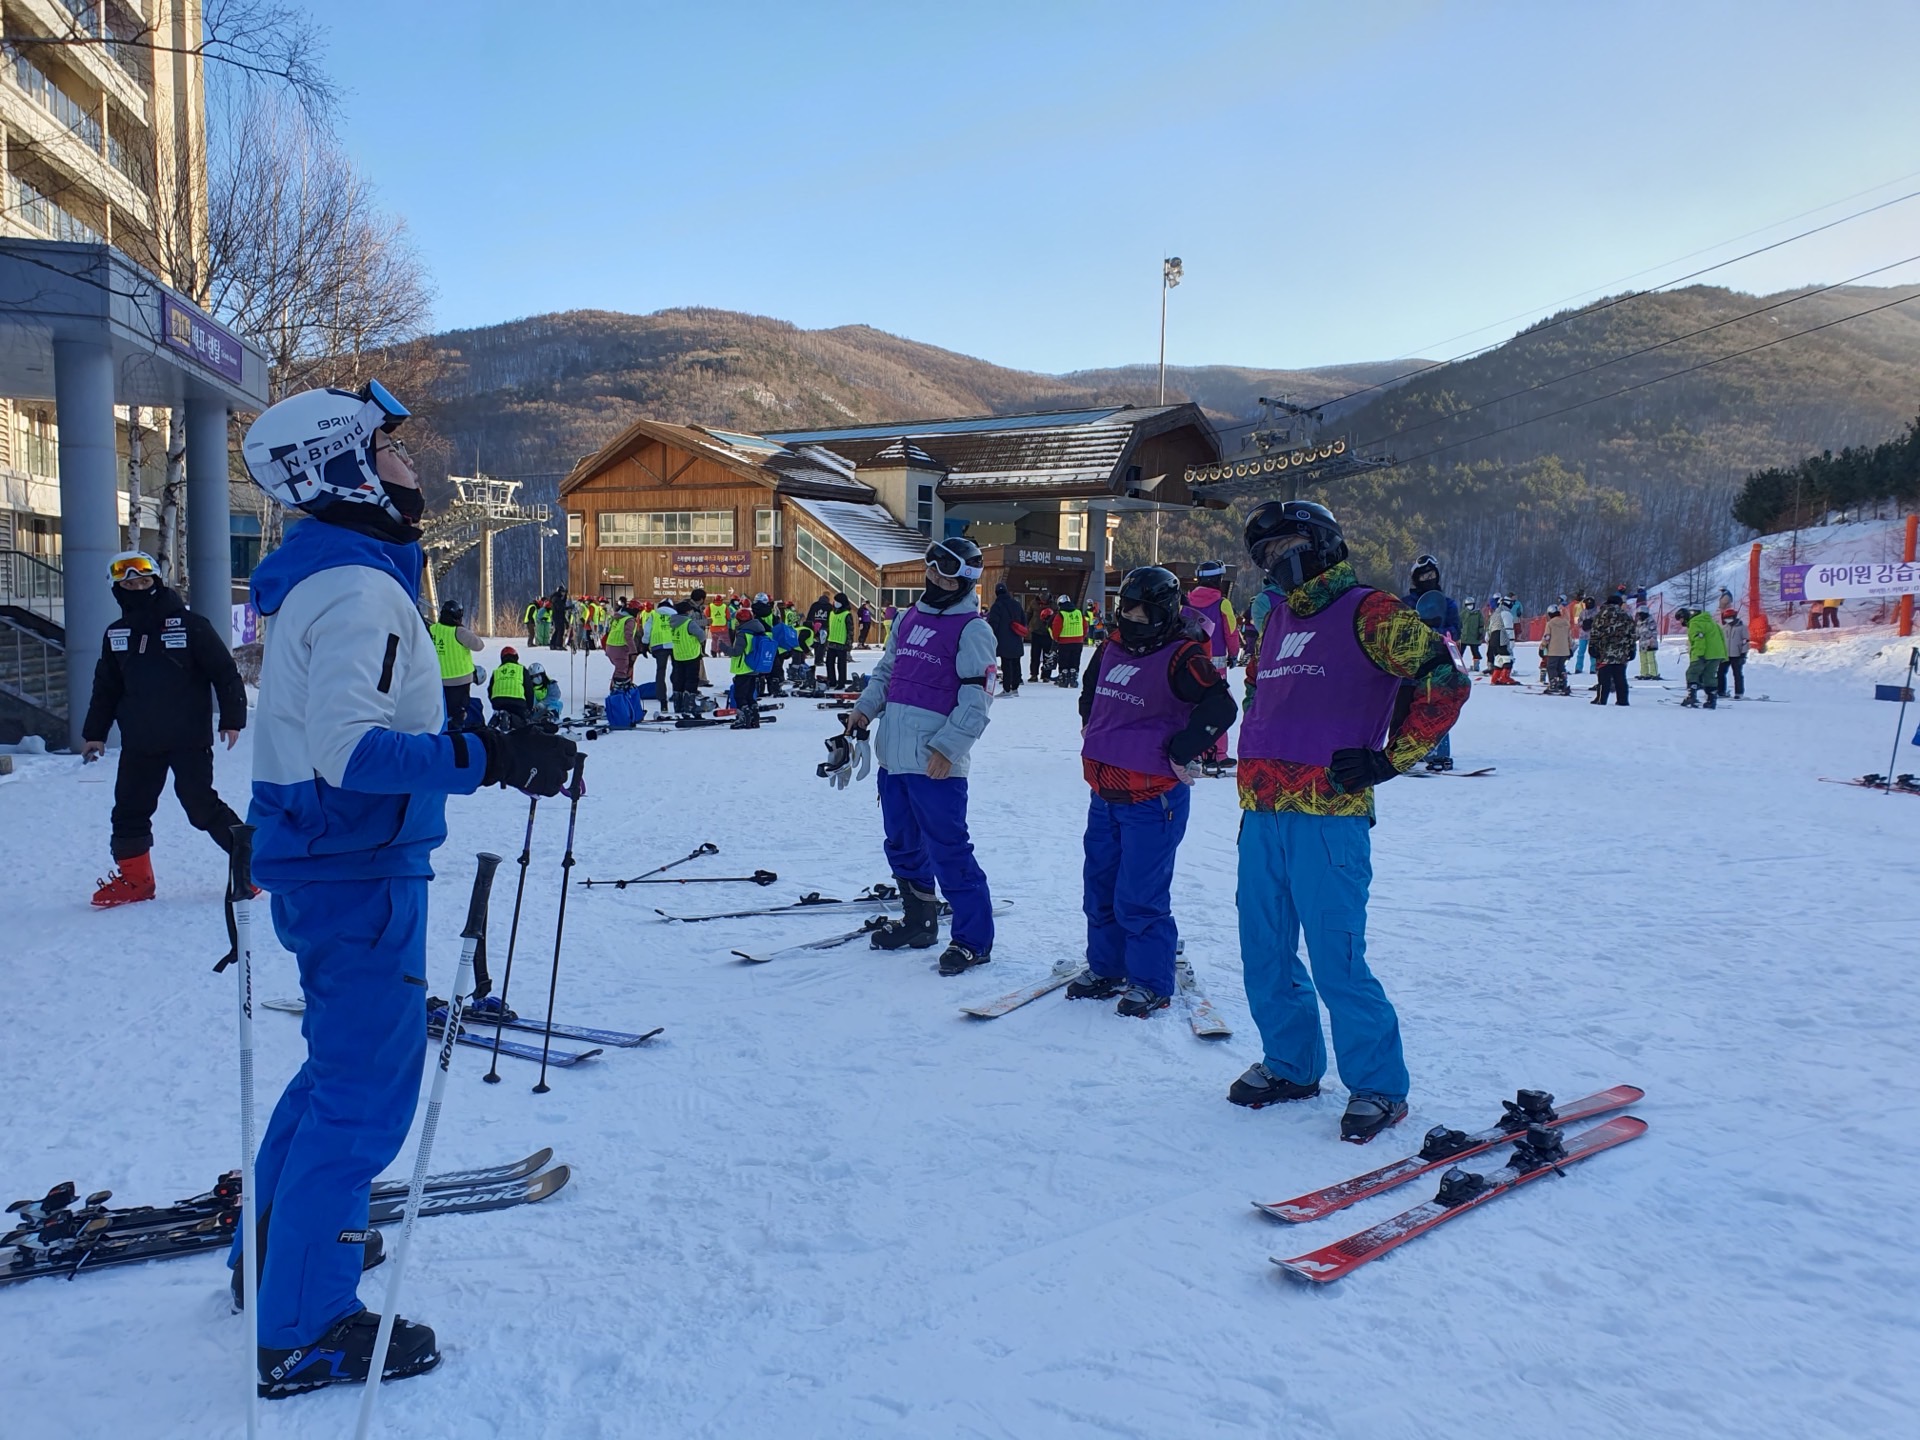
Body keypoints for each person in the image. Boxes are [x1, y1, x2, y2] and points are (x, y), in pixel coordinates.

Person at [236, 380, 578, 1398]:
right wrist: (484, 759)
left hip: (331, 857)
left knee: (331, 1071)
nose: (410, 465)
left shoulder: (336, 579)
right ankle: (302, 1324)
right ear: (342, 467)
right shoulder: (359, 589)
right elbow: (351, 752)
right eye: (389, 449)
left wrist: (478, 738)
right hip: (355, 865)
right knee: (364, 1094)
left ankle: (277, 1259)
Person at [1228, 500, 1469, 1142]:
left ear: (1319, 544)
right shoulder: (1275, 618)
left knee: (1337, 958)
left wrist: (1392, 760)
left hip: (1329, 816)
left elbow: (1445, 680)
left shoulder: (1372, 611)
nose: (1273, 565)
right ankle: (1292, 1064)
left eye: (1284, 550)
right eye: (1264, 555)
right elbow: (1263, 698)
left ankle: (1380, 1087)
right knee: (1265, 952)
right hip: (1263, 813)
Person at [1071, 566, 1237, 1016]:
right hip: (1104, 794)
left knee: (1139, 895)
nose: (1133, 618)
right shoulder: (1111, 647)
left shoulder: (1183, 656)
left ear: (1164, 613)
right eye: (1127, 609)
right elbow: (1091, 689)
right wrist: (1091, 723)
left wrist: (1185, 747)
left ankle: (1150, 980)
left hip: (1153, 800)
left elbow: (1221, 705)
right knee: (1098, 888)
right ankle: (1107, 967)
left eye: (1143, 612)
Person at [845, 537, 996, 975]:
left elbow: (978, 697)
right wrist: (864, 710)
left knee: (949, 850)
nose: (934, 578)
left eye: (944, 573)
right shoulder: (909, 618)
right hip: (894, 756)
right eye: (930, 570)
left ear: (963, 580)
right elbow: (888, 672)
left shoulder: (973, 628)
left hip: (935, 762)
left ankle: (972, 940)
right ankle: (919, 922)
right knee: (902, 843)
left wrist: (949, 749)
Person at [80, 550, 248, 907]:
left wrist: (232, 719)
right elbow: (106, 687)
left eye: (143, 581)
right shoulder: (117, 634)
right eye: (129, 584)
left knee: (200, 807)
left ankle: (252, 868)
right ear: (118, 591)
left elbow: (224, 672)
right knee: (129, 809)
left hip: (188, 738)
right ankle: (136, 881)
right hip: (140, 741)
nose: (137, 588)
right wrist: (94, 732)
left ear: (157, 583)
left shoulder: (191, 625)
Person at [1183, 560, 1238, 765]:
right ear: (1218, 580)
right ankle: (1218, 754)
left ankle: (1195, 751)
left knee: (1194, 707)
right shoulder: (1223, 603)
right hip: (1216, 665)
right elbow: (1230, 632)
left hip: (1191, 662)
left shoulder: (1187, 602)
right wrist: (1234, 653)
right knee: (1219, 706)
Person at [1412, 591, 1459, 769]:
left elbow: (1455, 630)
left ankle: (1440, 753)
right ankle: (1423, 749)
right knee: (1422, 710)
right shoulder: (1411, 606)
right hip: (1421, 672)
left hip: (1441, 671)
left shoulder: (1448, 609)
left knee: (1439, 709)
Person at [427, 599, 483, 727]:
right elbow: (479, 645)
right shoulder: (459, 632)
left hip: (438, 679)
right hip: (460, 680)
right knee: (459, 713)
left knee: (443, 710)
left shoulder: (432, 629)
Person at [726, 594, 777, 727]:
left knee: (740, 696)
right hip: (754, 668)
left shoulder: (743, 633)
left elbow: (737, 651)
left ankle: (744, 718)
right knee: (750, 695)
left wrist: (723, 647)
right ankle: (754, 717)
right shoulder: (758, 631)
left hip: (743, 668)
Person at [1588, 593, 1636, 706]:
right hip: (1621, 652)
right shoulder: (1626, 616)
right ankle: (1623, 700)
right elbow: (1632, 635)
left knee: (1603, 678)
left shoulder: (1601, 615)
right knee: (1620, 678)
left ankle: (1601, 699)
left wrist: (1592, 646)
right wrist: (1632, 649)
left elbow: (1595, 633)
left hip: (1604, 652)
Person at [1678, 606, 1728, 709]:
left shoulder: (1695, 623)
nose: (1682, 622)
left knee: (1692, 673)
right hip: (1716, 654)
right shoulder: (1712, 623)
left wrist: (1698, 655)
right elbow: (1722, 638)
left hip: (1703, 654)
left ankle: (1691, 696)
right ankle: (1711, 699)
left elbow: (1699, 640)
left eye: (1681, 619)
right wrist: (1724, 655)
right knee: (1709, 676)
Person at [668, 589, 709, 715]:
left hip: (677, 654)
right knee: (691, 680)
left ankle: (678, 705)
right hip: (691, 654)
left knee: (678, 679)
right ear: (688, 611)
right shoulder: (688, 622)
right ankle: (689, 705)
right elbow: (702, 636)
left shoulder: (671, 622)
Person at [985, 581, 1028, 696]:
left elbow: (993, 624)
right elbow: (1024, 621)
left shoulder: (997, 606)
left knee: (1006, 664)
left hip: (1003, 639)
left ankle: (1006, 689)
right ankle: (1015, 688)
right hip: (1016, 638)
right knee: (1016, 663)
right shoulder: (1016, 604)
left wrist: (990, 636)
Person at [488, 645, 532, 724]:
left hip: (498, 702)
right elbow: (529, 690)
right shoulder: (522, 670)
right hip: (517, 702)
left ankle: (498, 720)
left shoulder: (497, 671)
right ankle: (511, 719)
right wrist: (529, 708)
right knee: (522, 723)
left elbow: (490, 690)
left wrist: (494, 702)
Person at [604, 599, 641, 691]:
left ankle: (614, 688)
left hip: (610, 646)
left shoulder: (618, 617)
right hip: (620, 647)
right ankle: (618, 692)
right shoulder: (630, 620)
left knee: (620, 668)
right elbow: (628, 636)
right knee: (622, 670)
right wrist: (633, 651)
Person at [1051, 595, 1087, 685]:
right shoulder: (1078, 613)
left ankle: (1064, 679)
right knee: (1075, 660)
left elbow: (1056, 628)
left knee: (1064, 661)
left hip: (1064, 642)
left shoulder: (1061, 614)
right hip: (1078, 641)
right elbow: (1085, 626)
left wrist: (1055, 638)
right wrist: (1082, 637)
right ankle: (1073, 678)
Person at [1539, 604, 1573, 695]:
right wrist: (1570, 648)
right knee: (1561, 667)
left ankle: (1554, 684)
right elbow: (1569, 638)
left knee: (1551, 667)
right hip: (1564, 650)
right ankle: (1563, 683)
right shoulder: (1566, 623)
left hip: (1553, 650)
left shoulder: (1550, 624)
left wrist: (1542, 647)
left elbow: (1547, 637)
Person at [822, 591, 854, 688]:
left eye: (837, 601)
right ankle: (832, 681)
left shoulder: (846, 614)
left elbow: (850, 630)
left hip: (842, 644)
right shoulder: (831, 613)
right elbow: (829, 627)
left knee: (841, 665)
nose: (835, 603)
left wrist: (849, 644)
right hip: (831, 642)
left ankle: (841, 682)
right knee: (829, 663)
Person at [1486, 595, 1517, 684]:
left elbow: (1489, 627)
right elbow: (1508, 628)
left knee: (1499, 658)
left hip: (1493, 637)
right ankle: (1505, 677)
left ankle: (1495, 677)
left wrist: (1488, 638)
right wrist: (1511, 640)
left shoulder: (1495, 613)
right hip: (1501, 636)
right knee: (1507, 657)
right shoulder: (1506, 613)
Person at [1720, 610, 1750, 698]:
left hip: (1737, 655)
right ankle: (1721, 691)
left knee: (1737, 674)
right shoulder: (1724, 628)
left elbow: (1746, 641)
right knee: (1721, 673)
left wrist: (1743, 653)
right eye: (1726, 618)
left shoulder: (1742, 627)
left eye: (1729, 618)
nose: (1727, 620)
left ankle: (1739, 692)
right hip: (1725, 655)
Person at [527, 661, 562, 726]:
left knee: (558, 703)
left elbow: (555, 696)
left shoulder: (551, 684)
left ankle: (550, 716)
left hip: (547, 708)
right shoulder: (528, 687)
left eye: (539, 675)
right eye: (534, 677)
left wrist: (543, 703)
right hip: (534, 711)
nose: (537, 678)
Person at [1029, 599, 1056, 682]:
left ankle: (1046, 675)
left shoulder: (1053, 604)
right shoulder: (1033, 603)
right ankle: (1034, 674)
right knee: (1035, 655)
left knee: (1047, 656)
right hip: (1036, 632)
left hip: (1048, 633)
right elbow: (1028, 615)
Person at [1458, 595, 1485, 672]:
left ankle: (1476, 666)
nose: (1470, 606)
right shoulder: (1463, 613)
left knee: (1475, 652)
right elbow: (1458, 623)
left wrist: (1480, 633)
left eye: (1471, 604)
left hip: (1474, 636)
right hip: (1464, 637)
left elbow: (1481, 624)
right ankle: (1458, 665)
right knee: (1460, 652)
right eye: (1468, 605)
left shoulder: (1478, 613)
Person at [1635, 607, 1661, 679]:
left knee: (1651, 659)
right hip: (1642, 644)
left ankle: (1654, 673)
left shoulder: (1650, 621)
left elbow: (1654, 632)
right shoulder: (1639, 622)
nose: (1640, 616)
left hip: (1650, 643)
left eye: (1641, 614)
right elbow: (1637, 633)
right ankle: (1644, 673)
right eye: (1639, 614)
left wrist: (1652, 639)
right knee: (1643, 660)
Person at [1569, 594, 1591, 674]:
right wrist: (1583, 623)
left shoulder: (1596, 612)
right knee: (1580, 652)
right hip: (1583, 635)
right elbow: (1577, 622)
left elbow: (1598, 622)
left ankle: (1593, 668)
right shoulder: (1582, 612)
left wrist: (1592, 623)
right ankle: (1578, 668)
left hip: (1592, 635)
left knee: (1592, 652)